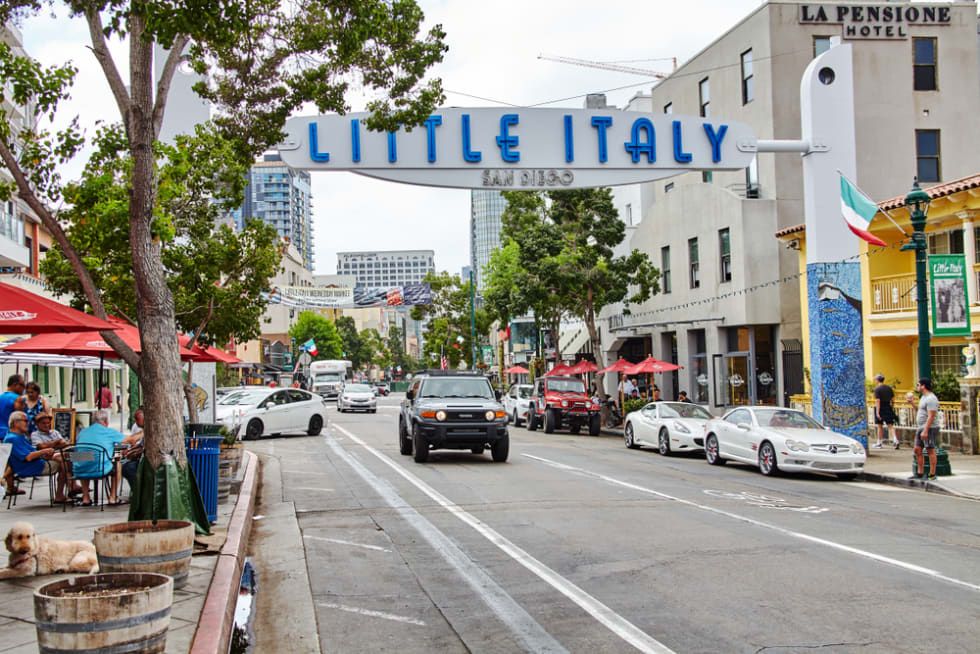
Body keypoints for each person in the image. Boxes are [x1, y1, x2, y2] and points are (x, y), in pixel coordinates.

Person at [3, 411, 69, 502]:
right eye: (25, 421)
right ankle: (65, 493)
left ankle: (72, 488)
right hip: (33, 467)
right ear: (16, 423)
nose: (28, 423)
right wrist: (44, 451)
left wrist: (44, 453)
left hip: (38, 462)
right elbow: (28, 457)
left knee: (69, 457)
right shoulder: (13, 438)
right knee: (67, 461)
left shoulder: (19, 436)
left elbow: (32, 452)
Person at [74, 409, 126, 505]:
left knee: (85, 459)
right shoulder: (108, 432)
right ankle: (113, 497)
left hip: (79, 470)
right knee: (117, 464)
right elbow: (128, 440)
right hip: (100, 469)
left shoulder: (83, 432)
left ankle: (85, 497)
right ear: (106, 421)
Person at [911, 378, 939, 482]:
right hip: (921, 427)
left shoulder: (931, 398)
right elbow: (920, 411)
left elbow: (931, 416)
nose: (917, 387)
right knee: (917, 449)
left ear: (923, 386)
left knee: (930, 449)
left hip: (930, 428)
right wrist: (912, 403)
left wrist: (926, 430)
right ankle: (920, 472)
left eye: (918, 385)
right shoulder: (923, 397)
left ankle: (932, 474)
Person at [119, 409, 145, 496]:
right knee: (123, 466)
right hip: (139, 457)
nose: (135, 421)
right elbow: (138, 444)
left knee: (128, 467)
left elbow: (133, 441)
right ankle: (135, 490)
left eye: (137, 419)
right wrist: (130, 450)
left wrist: (133, 451)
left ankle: (137, 492)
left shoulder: (147, 430)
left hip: (144, 460)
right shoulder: (139, 428)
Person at [872, 373, 899, 449]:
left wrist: (877, 412)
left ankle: (879, 442)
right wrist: (892, 407)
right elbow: (893, 399)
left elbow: (878, 401)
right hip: (888, 406)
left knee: (879, 426)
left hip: (881, 407)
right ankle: (895, 440)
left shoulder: (877, 389)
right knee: (890, 425)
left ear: (877, 380)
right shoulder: (889, 388)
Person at [0, 374, 25, 441]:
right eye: (22, 385)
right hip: (12, 436)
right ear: (14, 385)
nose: (24, 389)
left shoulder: (0, 397)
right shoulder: (18, 399)